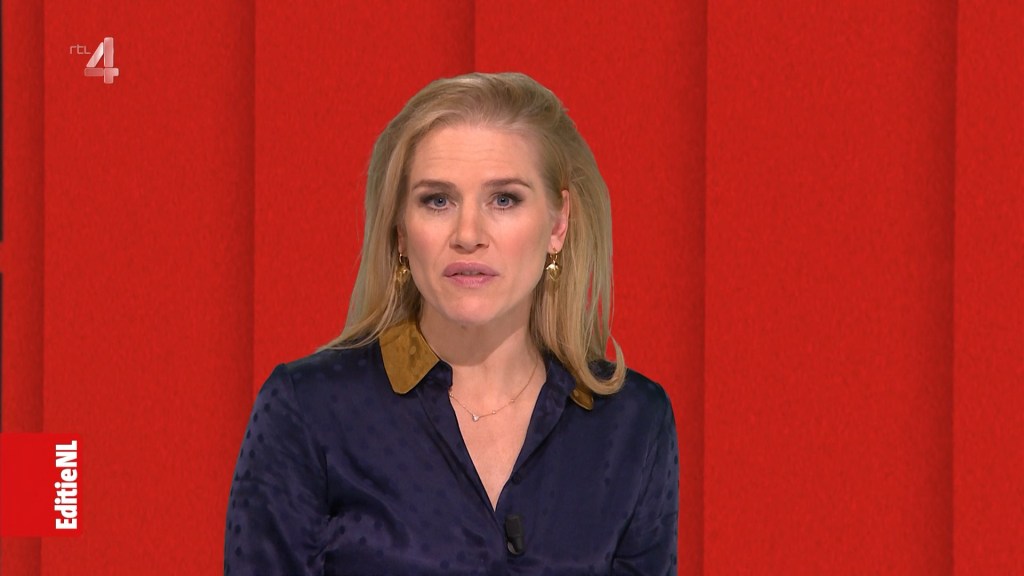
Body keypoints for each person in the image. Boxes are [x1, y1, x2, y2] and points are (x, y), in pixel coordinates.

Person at [224, 72, 679, 575]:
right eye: (437, 200)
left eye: (504, 199)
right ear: (401, 230)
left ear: (558, 223)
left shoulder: (633, 422)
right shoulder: (307, 408)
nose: (468, 234)